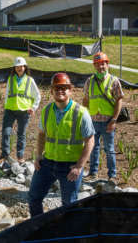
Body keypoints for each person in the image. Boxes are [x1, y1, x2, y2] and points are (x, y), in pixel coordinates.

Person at [28, 73, 95, 217]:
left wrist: (79, 166)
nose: (60, 90)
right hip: (47, 163)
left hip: (70, 167)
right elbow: (41, 134)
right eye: (57, 88)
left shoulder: (80, 113)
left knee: (68, 204)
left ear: (70, 90)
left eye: (64, 88)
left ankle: (67, 235)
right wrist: (38, 155)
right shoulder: (46, 111)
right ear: (52, 91)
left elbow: (90, 140)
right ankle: (38, 229)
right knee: (34, 197)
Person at [83, 52, 124, 183]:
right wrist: (85, 116)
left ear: (107, 64)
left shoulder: (114, 81)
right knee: (93, 148)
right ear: (94, 66)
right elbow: (86, 100)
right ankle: (93, 173)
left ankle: (112, 175)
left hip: (108, 121)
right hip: (93, 120)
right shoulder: (89, 81)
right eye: (98, 64)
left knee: (109, 149)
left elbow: (119, 101)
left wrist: (114, 120)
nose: (101, 67)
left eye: (103, 64)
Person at [0, 57, 41, 165]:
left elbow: (37, 96)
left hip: (24, 111)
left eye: (21, 66)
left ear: (25, 67)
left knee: (21, 134)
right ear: (14, 68)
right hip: (10, 110)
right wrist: (5, 106)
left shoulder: (30, 80)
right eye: (17, 66)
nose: (19, 68)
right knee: (6, 132)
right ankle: (4, 155)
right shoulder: (10, 79)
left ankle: (20, 156)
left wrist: (34, 107)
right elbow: (8, 94)